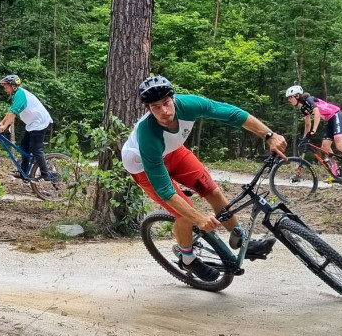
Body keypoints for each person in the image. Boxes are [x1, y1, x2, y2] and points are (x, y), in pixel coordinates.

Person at [122, 76, 287, 282]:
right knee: (185, 213)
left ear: (173, 98)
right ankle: (187, 259)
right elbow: (166, 191)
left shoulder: (188, 105)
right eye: (156, 107)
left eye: (166, 103)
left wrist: (269, 135)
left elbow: (232, 114)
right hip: (143, 165)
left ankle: (242, 241)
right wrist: (198, 219)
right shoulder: (148, 136)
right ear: (148, 109)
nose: (164, 111)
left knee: (212, 191)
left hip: (173, 152)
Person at [285, 85, 342, 180]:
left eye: (290, 97)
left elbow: (317, 113)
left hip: (336, 115)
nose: (289, 100)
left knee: (339, 145)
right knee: (325, 147)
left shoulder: (309, 100)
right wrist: (305, 137)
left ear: (296, 96)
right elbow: (307, 124)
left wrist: (314, 130)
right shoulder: (303, 108)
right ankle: (335, 171)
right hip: (329, 120)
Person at [0, 74, 54, 181]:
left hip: (39, 123)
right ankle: (24, 172)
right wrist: (2, 122)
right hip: (33, 124)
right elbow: (10, 111)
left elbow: (13, 113)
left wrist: (4, 127)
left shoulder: (20, 94)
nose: (5, 90)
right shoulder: (17, 95)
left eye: (6, 87)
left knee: (36, 149)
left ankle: (46, 174)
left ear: (13, 86)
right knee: (24, 146)